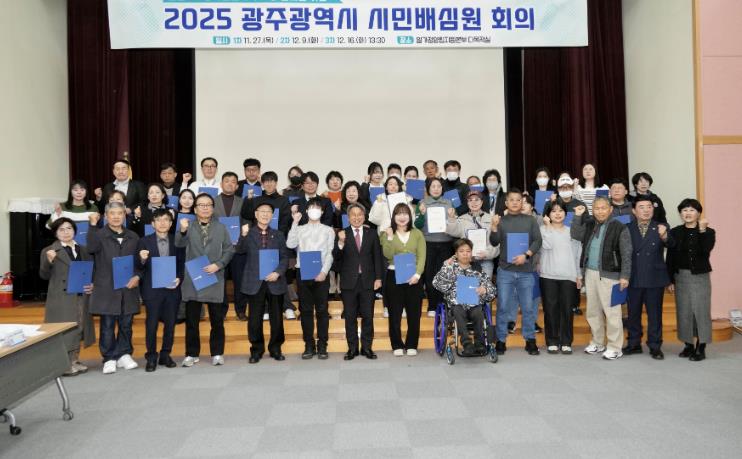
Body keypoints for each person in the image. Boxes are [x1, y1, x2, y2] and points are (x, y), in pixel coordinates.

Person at [176, 193, 234, 367]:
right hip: (194, 278)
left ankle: (217, 353)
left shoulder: (221, 227)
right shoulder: (188, 226)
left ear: (213, 208)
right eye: (201, 205)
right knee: (192, 321)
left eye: (208, 205)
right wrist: (182, 230)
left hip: (214, 276)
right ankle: (191, 353)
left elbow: (229, 249)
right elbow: (178, 244)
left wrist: (219, 264)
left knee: (217, 320)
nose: (205, 208)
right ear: (195, 209)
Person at [570, 196, 632, 360]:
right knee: (593, 311)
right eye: (596, 208)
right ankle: (597, 342)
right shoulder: (590, 224)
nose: (600, 211)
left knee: (612, 313)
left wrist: (625, 276)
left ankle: (615, 347)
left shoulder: (619, 227)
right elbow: (575, 234)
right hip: (590, 273)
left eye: (603, 208)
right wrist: (577, 217)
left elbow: (626, 254)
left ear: (610, 209)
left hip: (611, 276)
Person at [86, 202, 141, 374]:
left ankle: (124, 354)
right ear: (106, 216)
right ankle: (109, 357)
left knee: (126, 324)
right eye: (112, 213)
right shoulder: (99, 234)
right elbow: (91, 248)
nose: (116, 216)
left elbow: (139, 262)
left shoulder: (133, 236)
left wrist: (137, 276)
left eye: (120, 213)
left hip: (128, 287)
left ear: (124, 215)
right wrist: (92, 226)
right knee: (107, 325)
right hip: (106, 287)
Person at [489, 188, 542, 356]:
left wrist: (526, 255)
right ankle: (501, 340)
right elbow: (494, 242)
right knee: (503, 306)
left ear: (522, 202)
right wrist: (494, 227)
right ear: (506, 203)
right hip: (505, 271)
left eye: (518, 200)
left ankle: (530, 340)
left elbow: (537, 241)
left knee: (528, 308)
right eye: (511, 200)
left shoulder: (530, 220)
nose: (514, 202)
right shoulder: (501, 221)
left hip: (526, 271)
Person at [39, 218, 95, 376]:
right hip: (62, 297)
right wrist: (49, 261)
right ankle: (64, 364)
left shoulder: (83, 249)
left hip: (81, 295)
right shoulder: (49, 250)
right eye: (61, 229)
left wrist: (92, 284)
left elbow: (90, 271)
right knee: (66, 330)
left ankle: (74, 360)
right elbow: (43, 275)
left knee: (80, 327)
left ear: (74, 231)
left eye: (69, 228)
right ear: (55, 233)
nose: (66, 232)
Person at [237, 201, 290, 363]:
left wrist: (278, 272)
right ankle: (256, 350)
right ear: (256, 214)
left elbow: (284, 257)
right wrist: (243, 235)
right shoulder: (249, 233)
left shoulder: (279, 234)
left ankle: (276, 348)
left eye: (268, 211)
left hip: (275, 281)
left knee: (277, 318)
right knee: (254, 319)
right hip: (255, 282)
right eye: (262, 211)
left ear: (272, 215)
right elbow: (239, 250)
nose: (265, 214)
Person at [624, 196, 675, 360]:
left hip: (655, 277)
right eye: (641, 207)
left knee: (655, 314)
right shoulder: (627, 228)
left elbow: (672, 245)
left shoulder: (662, 226)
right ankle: (633, 344)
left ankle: (655, 346)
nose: (646, 210)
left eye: (649, 207)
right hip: (634, 276)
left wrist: (664, 235)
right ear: (634, 211)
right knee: (633, 313)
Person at [666, 198, 715, 362]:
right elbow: (670, 257)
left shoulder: (708, 232)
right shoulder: (675, 232)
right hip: (681, 276)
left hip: (700, 277)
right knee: (684, 311)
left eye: (692, 210)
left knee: (701, 311)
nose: (688, 213)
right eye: (685, 210)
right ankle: (688, 345)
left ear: (698, 213)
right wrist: (670, 279)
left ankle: (701, 346)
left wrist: (702, 230)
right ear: (680, 213)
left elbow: (705, 250)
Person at [286, 197, 335, 359]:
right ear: (306, 211)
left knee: (322, 310)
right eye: (311, 207)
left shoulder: (328, 230)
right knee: (305, 311)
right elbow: (290, 244)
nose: (315, 210)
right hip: (303, 272)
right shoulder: (300, 229)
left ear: (322, 211)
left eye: (318, 208)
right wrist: (294, 222)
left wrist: (324, 272)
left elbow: (330, 253)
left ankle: (322, 344)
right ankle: (308, 344)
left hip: (321, 273)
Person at [333, 203, 384, 360]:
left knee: (368, 316)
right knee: (350, 317)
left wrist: (378, 278)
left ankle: (367, 348)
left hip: (368, 281)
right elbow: (336, 260)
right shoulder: (342, 234)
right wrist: (340, 243)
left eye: (359, 214)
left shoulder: (372, 234)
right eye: (353, 215)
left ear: (364, 216)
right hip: (349, 282)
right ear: (348, 218)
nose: (356, 217)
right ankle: (352, 349)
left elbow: (377, 257)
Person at [136, 209, 184, 372]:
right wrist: (142, 259)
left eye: (166, 220)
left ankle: (165, 354)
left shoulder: (176, 240)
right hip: (152, 290)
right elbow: (138, 267)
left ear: (171, 224)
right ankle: (151, 356)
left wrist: (179, 278)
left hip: (172, 289)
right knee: (151, 324)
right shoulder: (144, 241)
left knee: (170, 324)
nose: (162, 223)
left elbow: (181, 263)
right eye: (159, 220)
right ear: (152, 223)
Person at [432, 238, 497, 356]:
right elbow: (437, 284)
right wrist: (446, 267)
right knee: (458, 310)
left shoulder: (477, 270)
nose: (465, 254)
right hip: (456, 305)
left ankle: (480, 344)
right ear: (456, 254)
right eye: (461, 251)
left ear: (471, 253)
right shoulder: (450, 267)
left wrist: (485, 290)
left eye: (468, 251)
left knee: (478, 312)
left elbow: (492, 290)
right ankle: (467, 344)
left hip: (474, 304)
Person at [381, 203, 426, 356]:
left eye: (405, 213)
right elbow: (388, 254)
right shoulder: (388, 233)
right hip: (394, 276)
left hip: (414, 277)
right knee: (395, 313)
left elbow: (422, 256)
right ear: (394, 217)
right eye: (398, 214)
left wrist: (417, 274)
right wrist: (389, 237)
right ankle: (397, 345)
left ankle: (412, 344)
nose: (402, 217)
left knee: (414, 313)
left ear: (410, 216)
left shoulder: (417, 233)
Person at [539, 201, 582, 354]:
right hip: (548, 275)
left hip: (568, 275)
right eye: (553, 211)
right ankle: (552, 341)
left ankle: (566, 341)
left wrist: (578, 275)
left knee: (567, 310)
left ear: (565, 213)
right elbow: (548, 245)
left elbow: (577, 255)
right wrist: (548, 227)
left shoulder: (572, 231)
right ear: (548, 214)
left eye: (560, 211)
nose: (557, 214)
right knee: (550, 309)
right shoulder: (542, 230)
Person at [414, 177, 454, 317]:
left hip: (446, 243)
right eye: (433, 186)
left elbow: (454, 224)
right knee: (429, 275)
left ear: (442, 188)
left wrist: (452, 217)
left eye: (439, 186)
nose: (436, 189)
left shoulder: (448, 203)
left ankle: (443, 304)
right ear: (428, 189)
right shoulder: (422, 203)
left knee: (444, 275)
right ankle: (432, 305)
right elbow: (417, 225)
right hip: (428, 244)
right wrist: (421, 214)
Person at [214, 172, 248, 320]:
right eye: (226, 181)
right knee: (220, 281)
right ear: (221, 184)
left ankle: (241, 311)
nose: (229, 183)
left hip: (238, 248)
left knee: (240, 280)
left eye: (233, 181)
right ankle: (221, 311)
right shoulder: (212, 201)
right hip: (219, 249)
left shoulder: (243, 202)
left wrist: (242, 236)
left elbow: (247, 221)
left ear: (237, 186)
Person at [445, 190, 499, 279]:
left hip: (486, 262)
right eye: (470, 200)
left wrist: (487, 253)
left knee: (484, 286)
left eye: (477, 200)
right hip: (466, 262)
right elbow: (452, 231)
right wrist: (451, 219)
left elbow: (496, 243)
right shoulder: (462, 219)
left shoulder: (491, 219)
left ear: (482, 202)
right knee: (469, 286)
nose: (474, 202)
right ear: (467, 203)